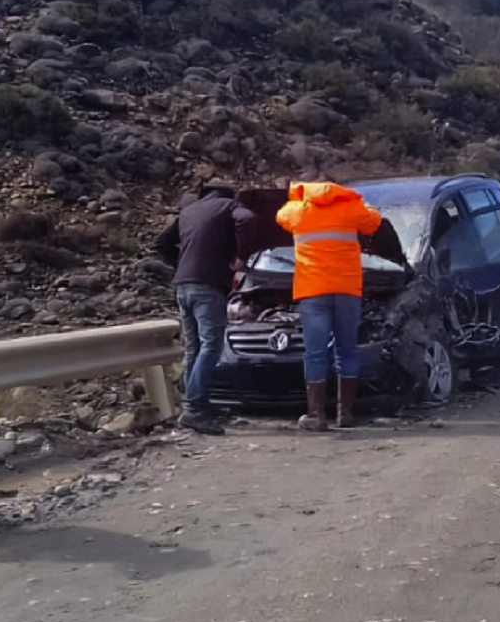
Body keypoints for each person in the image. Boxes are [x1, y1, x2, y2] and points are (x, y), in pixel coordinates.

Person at [276, 179, 385, 430]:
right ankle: (345, 413)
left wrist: (298, 198)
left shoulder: (298, 210)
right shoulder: (351, 206)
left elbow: (280, 217)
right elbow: (375, 222)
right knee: (347, 350)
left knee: (315, 353)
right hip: (347, 289)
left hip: (313, 290)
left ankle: (316, 415)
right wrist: (354, 199)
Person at [155, 179, 255, 435]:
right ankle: (195, 410)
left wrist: (181, 264)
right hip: (208, 287)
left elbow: (161, 243)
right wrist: (241, 258)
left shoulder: (189, 211)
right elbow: (247, 219)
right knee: (211, 346)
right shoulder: (229, 206)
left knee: (194, 348)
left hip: (183, 286)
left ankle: (200, 404)